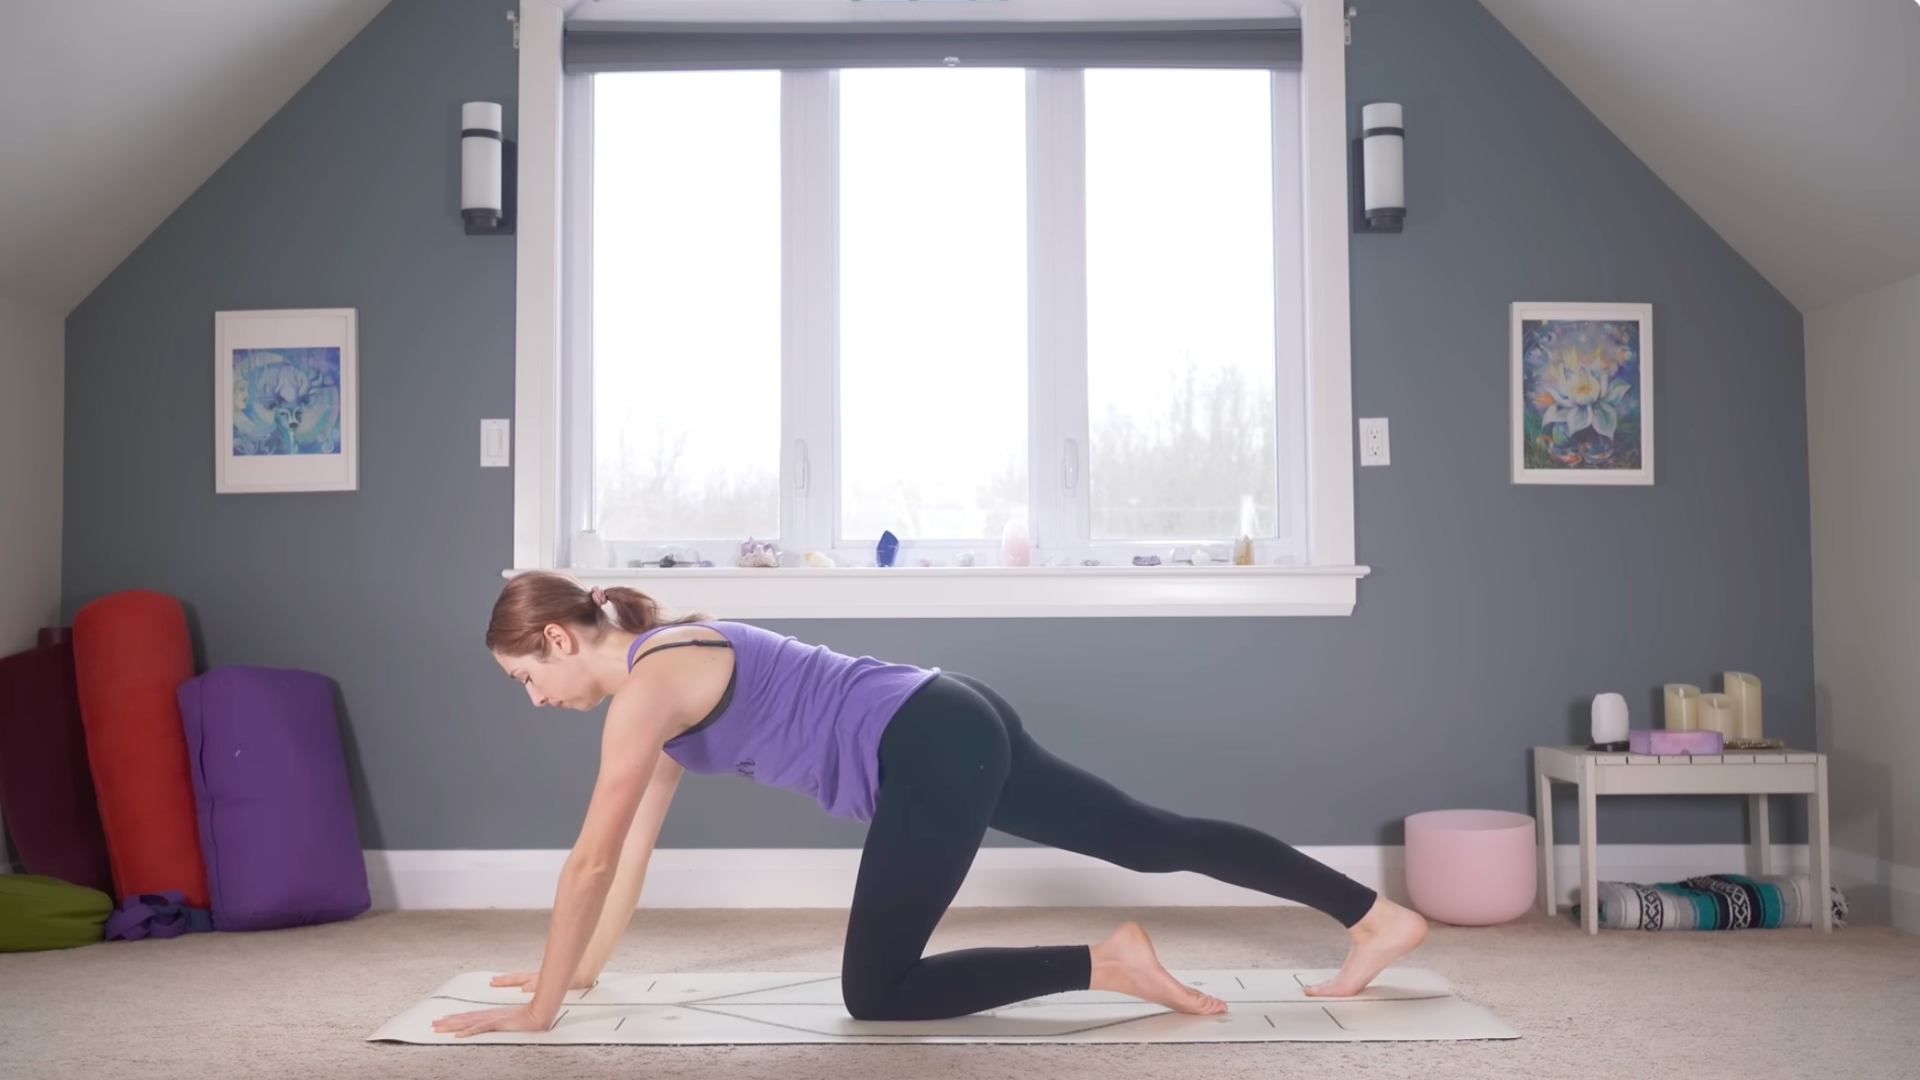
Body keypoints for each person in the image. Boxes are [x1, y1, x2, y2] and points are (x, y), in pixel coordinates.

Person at [432, 571, 1428, 1038]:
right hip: (952, 716)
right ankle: (1376, 916)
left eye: (523, 677)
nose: (534, 699)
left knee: (878, 991)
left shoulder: (647, 686)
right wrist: (582, 973)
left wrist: (538, 1014)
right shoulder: (657, 685)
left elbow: (588, 861)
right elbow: (631, 852)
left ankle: (1108, 963)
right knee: (1151, 837)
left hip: (929, 743)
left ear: (559, 641)